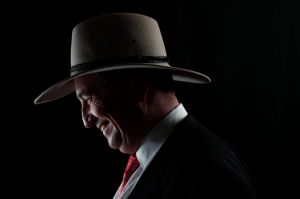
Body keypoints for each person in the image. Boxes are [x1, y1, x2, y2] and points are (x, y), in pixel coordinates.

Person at [34, 13, 256, 199]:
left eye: (89, 98)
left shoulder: (210, 176)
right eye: (81, 102)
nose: (86, 120)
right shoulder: (158, 163)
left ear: (136, 87)